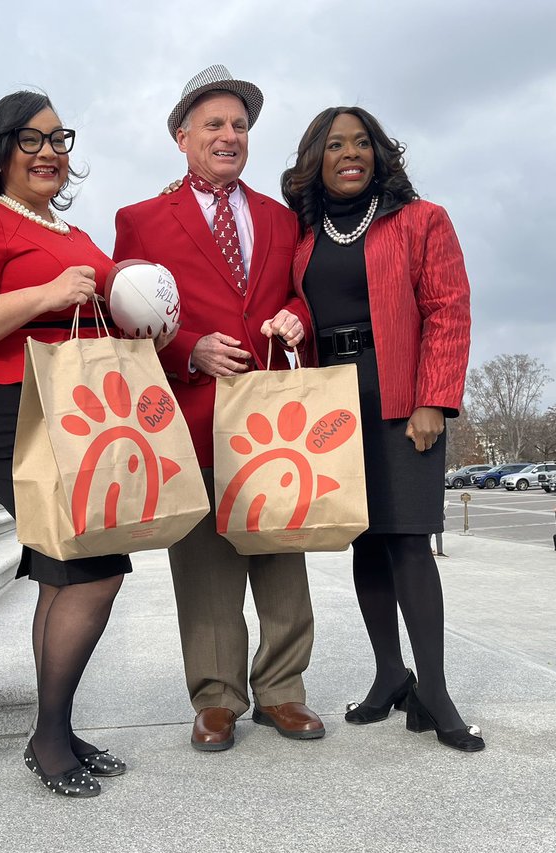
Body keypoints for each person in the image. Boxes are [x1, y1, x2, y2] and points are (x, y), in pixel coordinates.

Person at [114, 65, 323, 753]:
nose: (229, 136)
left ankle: (284, 692)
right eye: (214, 125)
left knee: (281, 558)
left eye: (239, 126)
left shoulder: (281, 218)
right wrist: (187, 350)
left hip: (273, 421)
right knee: (204, 570)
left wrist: (295, 317)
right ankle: (216, 699)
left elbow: (303, 295)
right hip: (193, 418)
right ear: (182, 137)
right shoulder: (139, 220)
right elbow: (123, 322)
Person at [0, 91, 131, 799]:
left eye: (58, 139)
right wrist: (46, 296)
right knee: (93, 567)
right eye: (30, 139)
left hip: (80, 406)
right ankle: (49, 737)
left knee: (63, 568)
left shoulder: (73, 235)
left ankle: (55, 728)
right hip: (13, 405)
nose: (49, 152)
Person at [281, 106, 484, 752]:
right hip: (333, 400)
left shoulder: (422, 221)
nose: (351, 154)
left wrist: (434, 401)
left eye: (361, 143)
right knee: (364, 542)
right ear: (316, 158)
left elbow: (448, 312)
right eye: (335, 144)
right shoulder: (305, 237)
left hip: (402, 395)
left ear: (379, 153)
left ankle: (435, 690)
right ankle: (389, 673)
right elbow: (297, 307)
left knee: (408, 542)